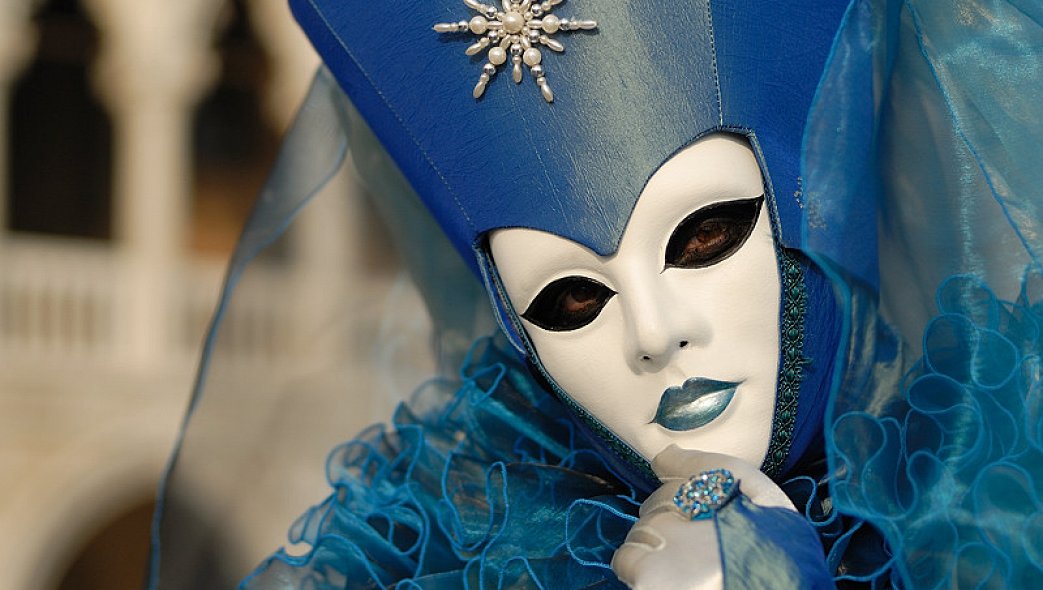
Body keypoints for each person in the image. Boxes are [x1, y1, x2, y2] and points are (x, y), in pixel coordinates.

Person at [148, 0, 1043, 588]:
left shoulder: (1002, 499)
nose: (651, 335)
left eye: (703, 236)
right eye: (570, 300)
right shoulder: (448, 549)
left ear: (813, 213)